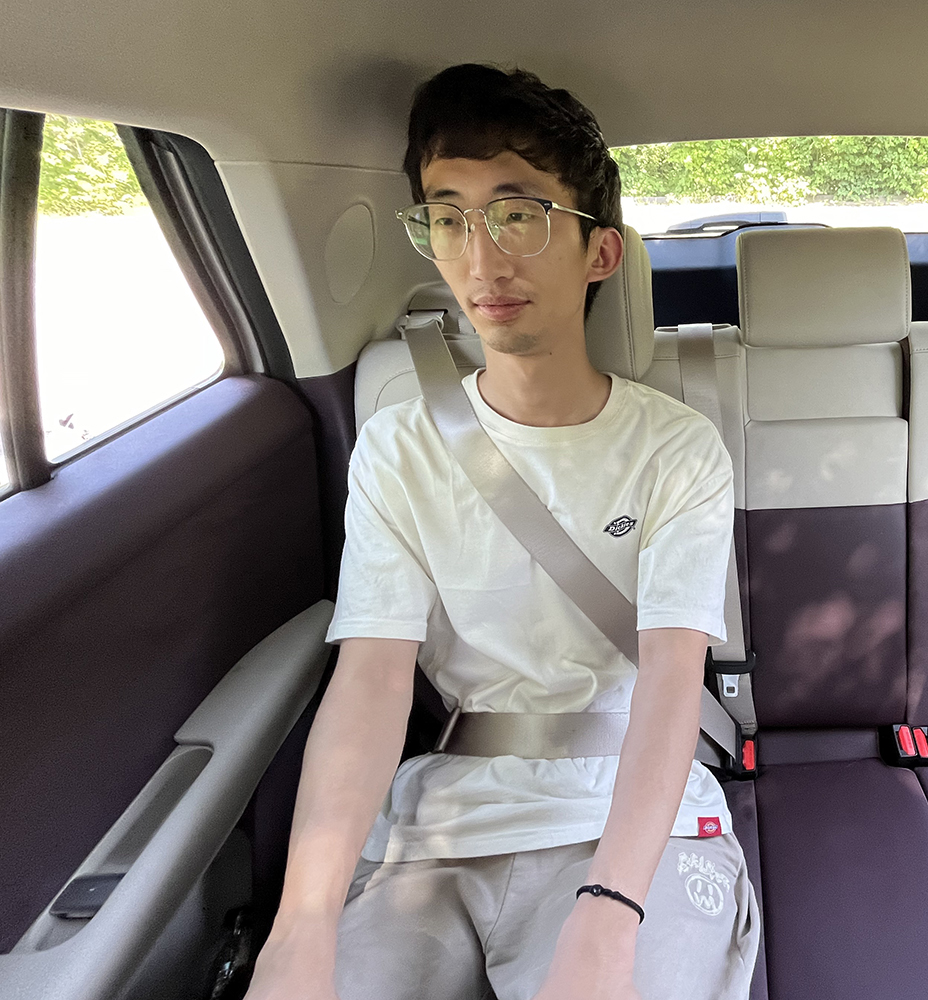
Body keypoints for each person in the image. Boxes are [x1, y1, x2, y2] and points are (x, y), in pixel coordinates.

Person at [244, 63, 759, 1000]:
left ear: (601, 253)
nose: (482, 261)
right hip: (442, 826)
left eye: (519, 215)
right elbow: (372, 680)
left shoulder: (676, 447)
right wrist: (301, 922)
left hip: (628, 823)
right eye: (449, 219)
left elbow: (670, 680)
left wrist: (610, 910)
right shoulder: (398, 445)